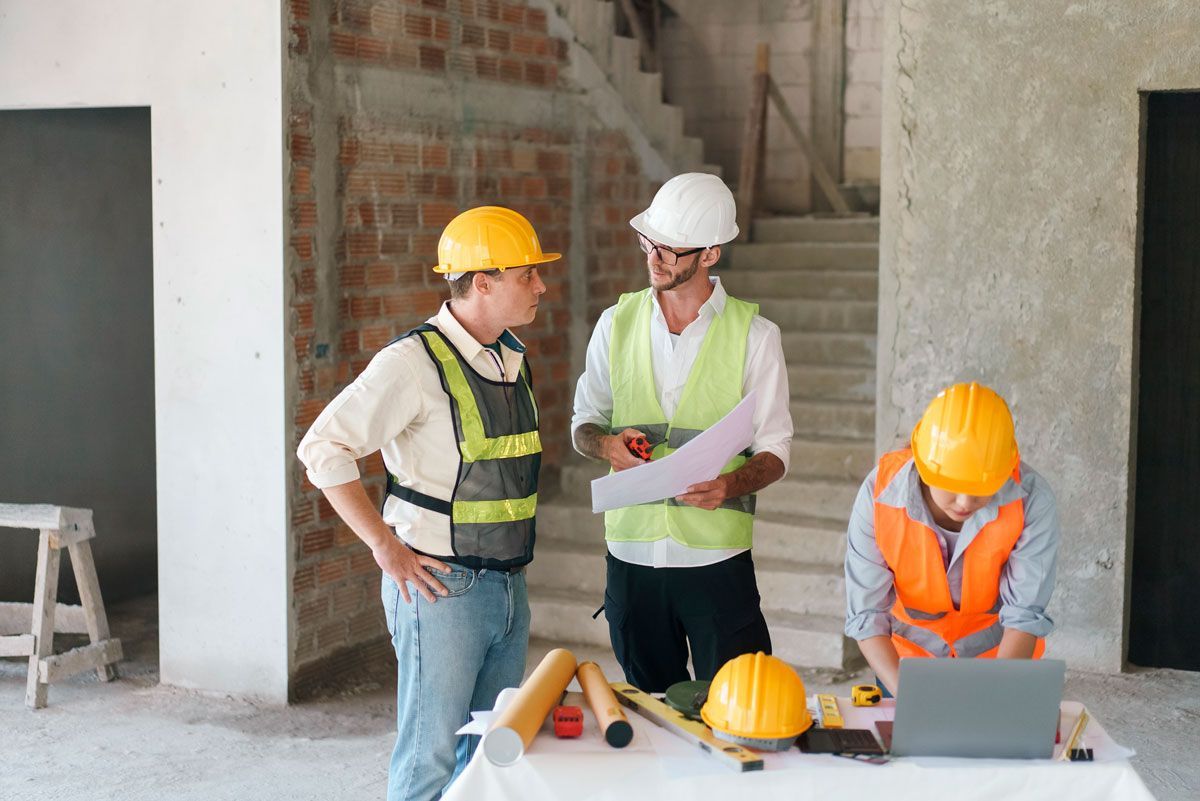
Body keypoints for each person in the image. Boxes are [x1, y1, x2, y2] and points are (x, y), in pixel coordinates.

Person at [296, 206, 558, 801]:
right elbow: (323, 448)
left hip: (508, 585)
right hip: (442, 591)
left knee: (489, 757)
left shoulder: (508, 358)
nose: (540, 286)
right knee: (428, 761)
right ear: (483, 282)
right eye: (527, 275)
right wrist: (385, 547)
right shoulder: (411, 364)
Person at [571, 172, 793, 693]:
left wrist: (729, 486)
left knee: (737, 708)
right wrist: (606, 445)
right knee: (652, 715)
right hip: (632, 559)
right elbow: (583, 422)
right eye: (650, 244)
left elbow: (776, 450)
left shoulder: (755, 337)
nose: (655, 259)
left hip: (716, 562)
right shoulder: (615, 323)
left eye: (670, 251)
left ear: (710, 254)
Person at [844, 382, 1060, 696]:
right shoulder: (879, 494)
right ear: (923, 464)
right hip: (906, 668)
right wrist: (907, 697)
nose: (963, 503)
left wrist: (997, 695)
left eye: (980, 490)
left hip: (999, 666)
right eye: (950, 486)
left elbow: (1025, 613)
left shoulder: (1031, 498)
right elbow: (866, 614)